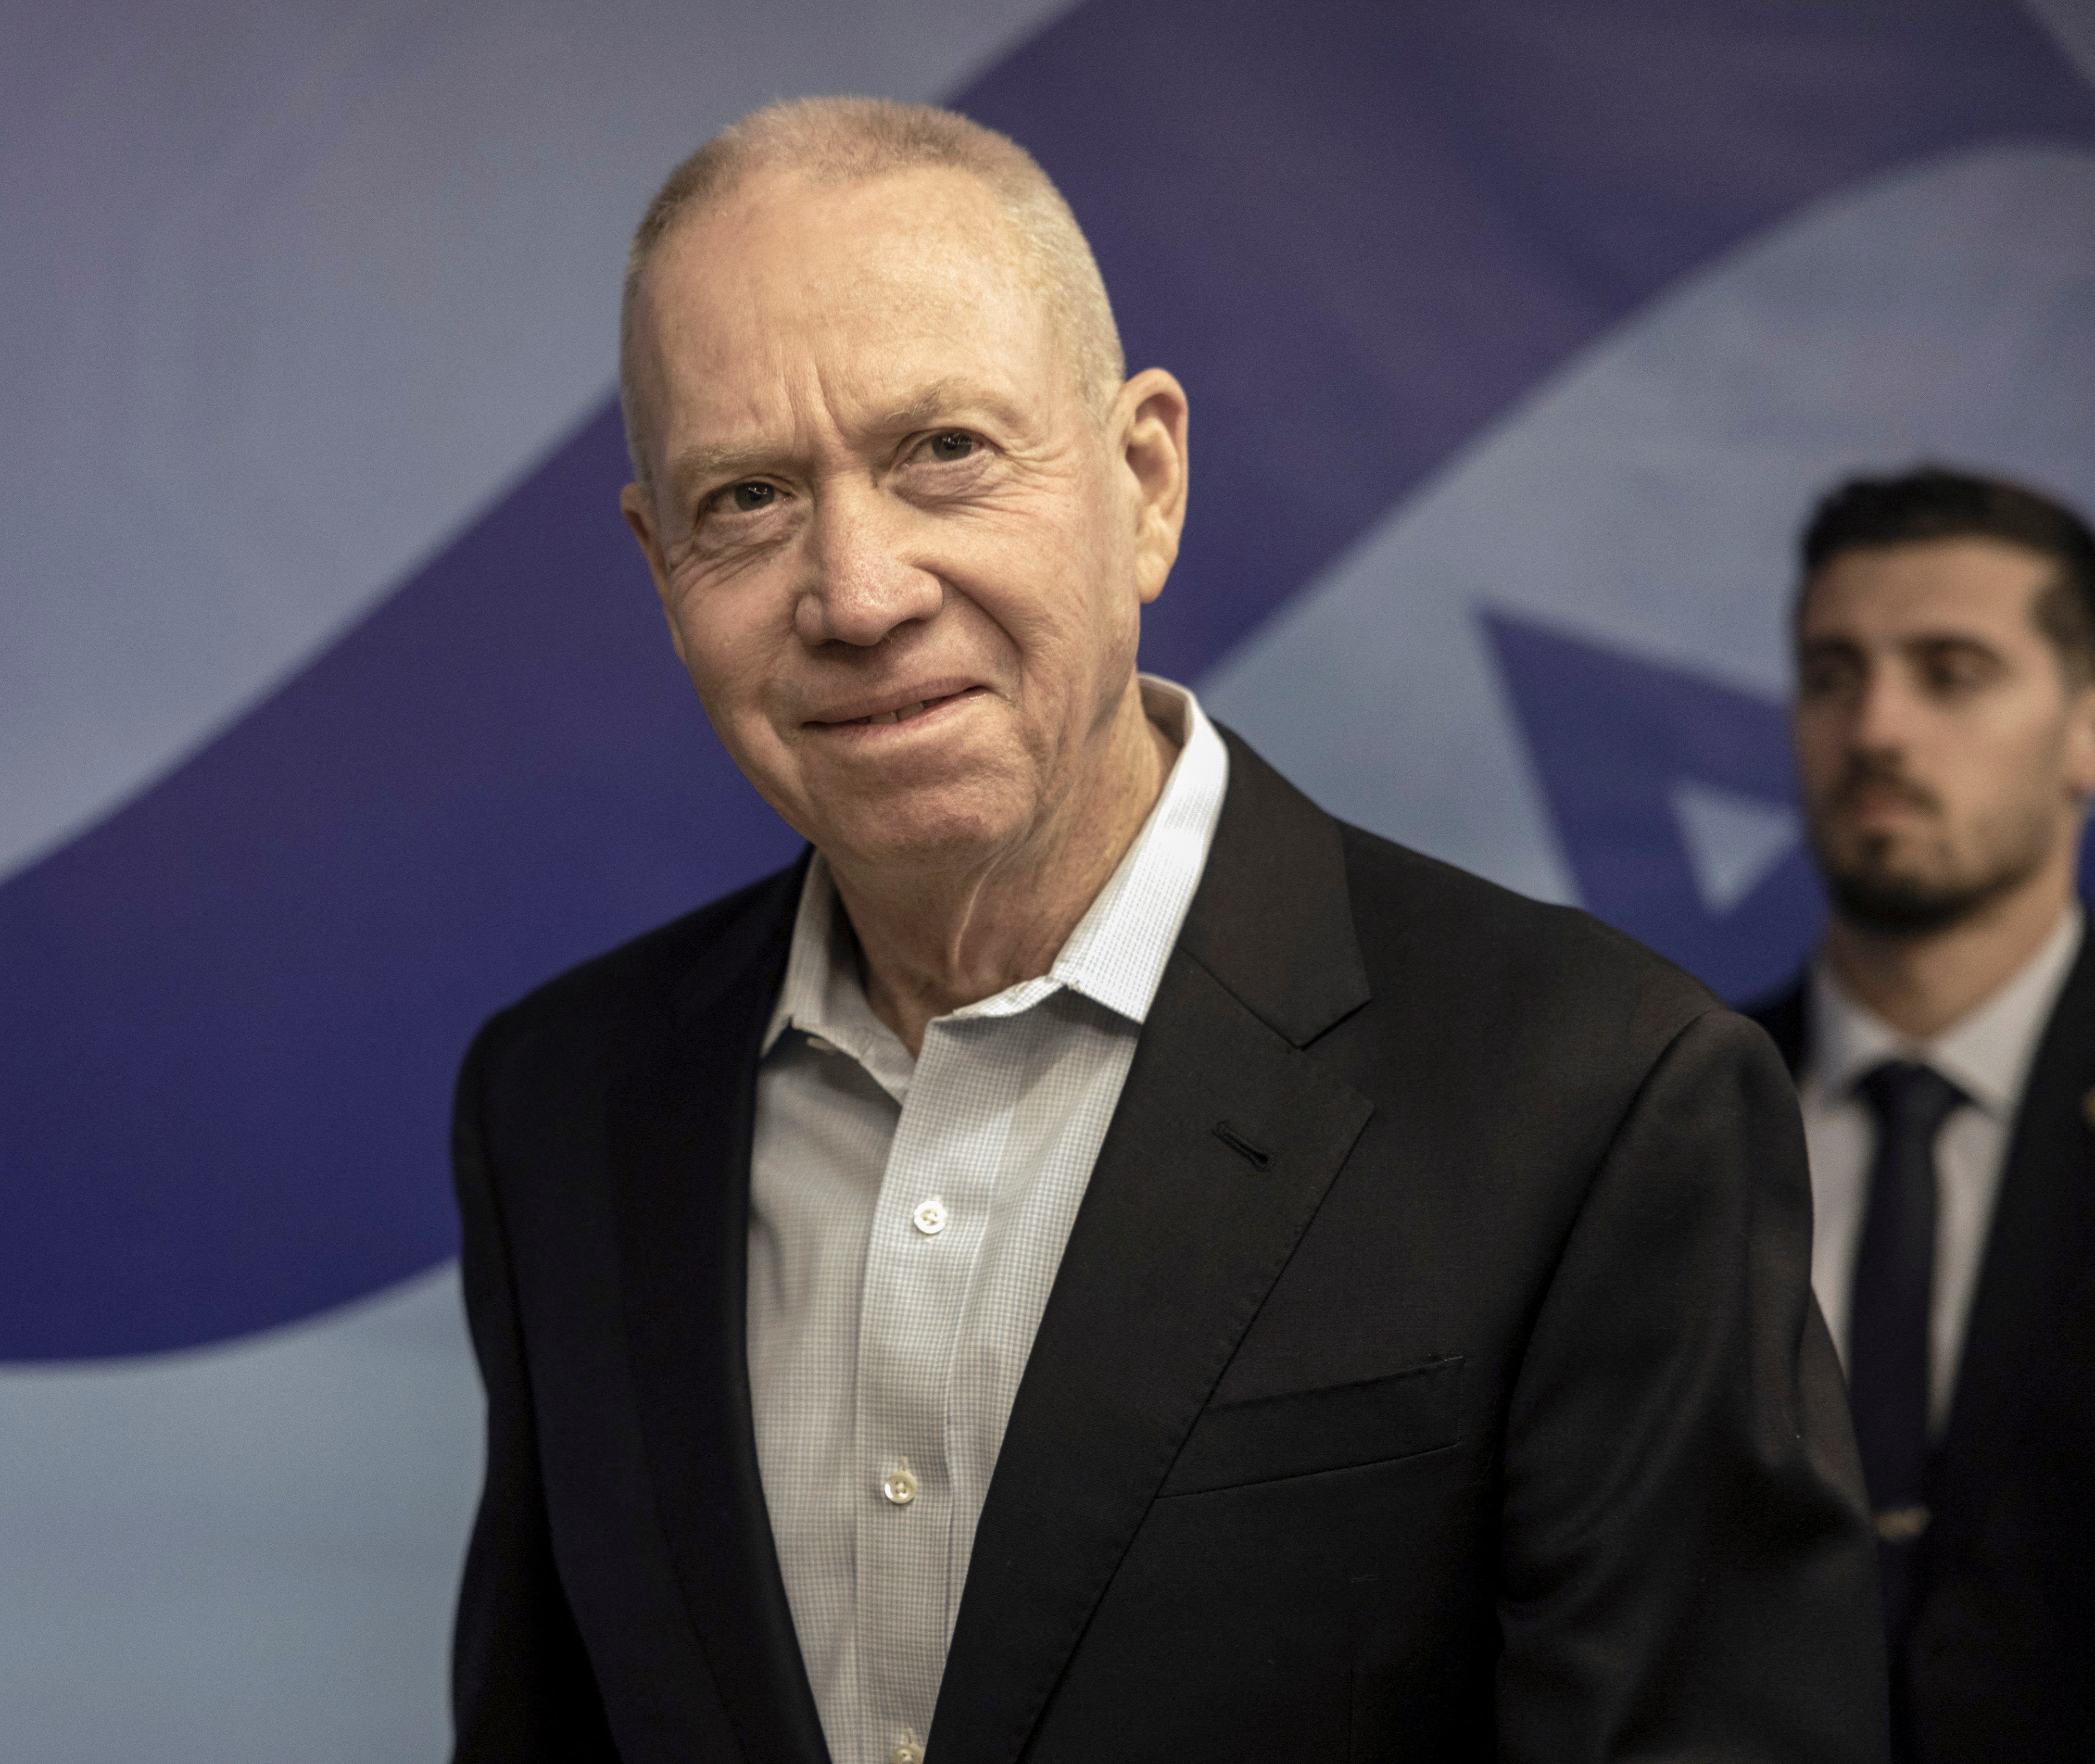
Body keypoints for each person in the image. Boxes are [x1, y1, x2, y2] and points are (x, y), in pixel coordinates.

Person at [451, 97, 1883, 1764]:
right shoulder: (560, 1107)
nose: (856, 591)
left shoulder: (1594, 1098)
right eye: (750, 498)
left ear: (1143, 482)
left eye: (944, 452)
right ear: (658, 561)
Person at [1746, 466, 2095, 1764]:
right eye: (1832, 673)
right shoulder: (1656, 1109)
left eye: (1950, 672)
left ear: (2082, 727)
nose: (1878, 727)